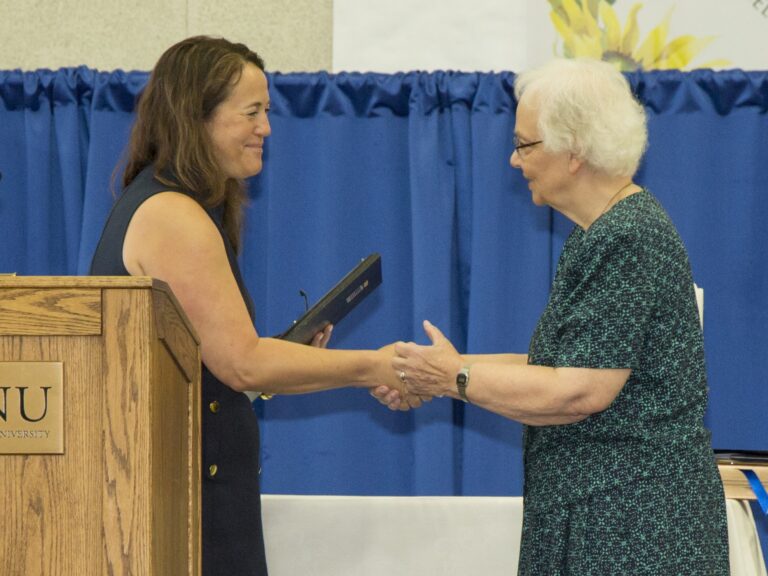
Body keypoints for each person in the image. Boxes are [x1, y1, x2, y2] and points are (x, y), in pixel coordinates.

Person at [376, 58, 729, 575]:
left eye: (524, 145)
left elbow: (579, 391)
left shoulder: (626, 237)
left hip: (634, 529)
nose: (514, 162)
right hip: (608, 517)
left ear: (576, 149)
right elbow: (556, 366)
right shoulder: (599, 233)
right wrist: (443, 369)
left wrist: (453, 376)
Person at [89, 36, 416, 576]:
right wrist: (377, 366)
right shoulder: (173, 215)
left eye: (267, 111)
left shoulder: (177, 205)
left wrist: (293, 361)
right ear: (195, 117)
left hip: (193, 490)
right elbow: (242, 364)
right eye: (252, 112)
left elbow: (230, 369)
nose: (266, 128)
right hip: (186, 506)